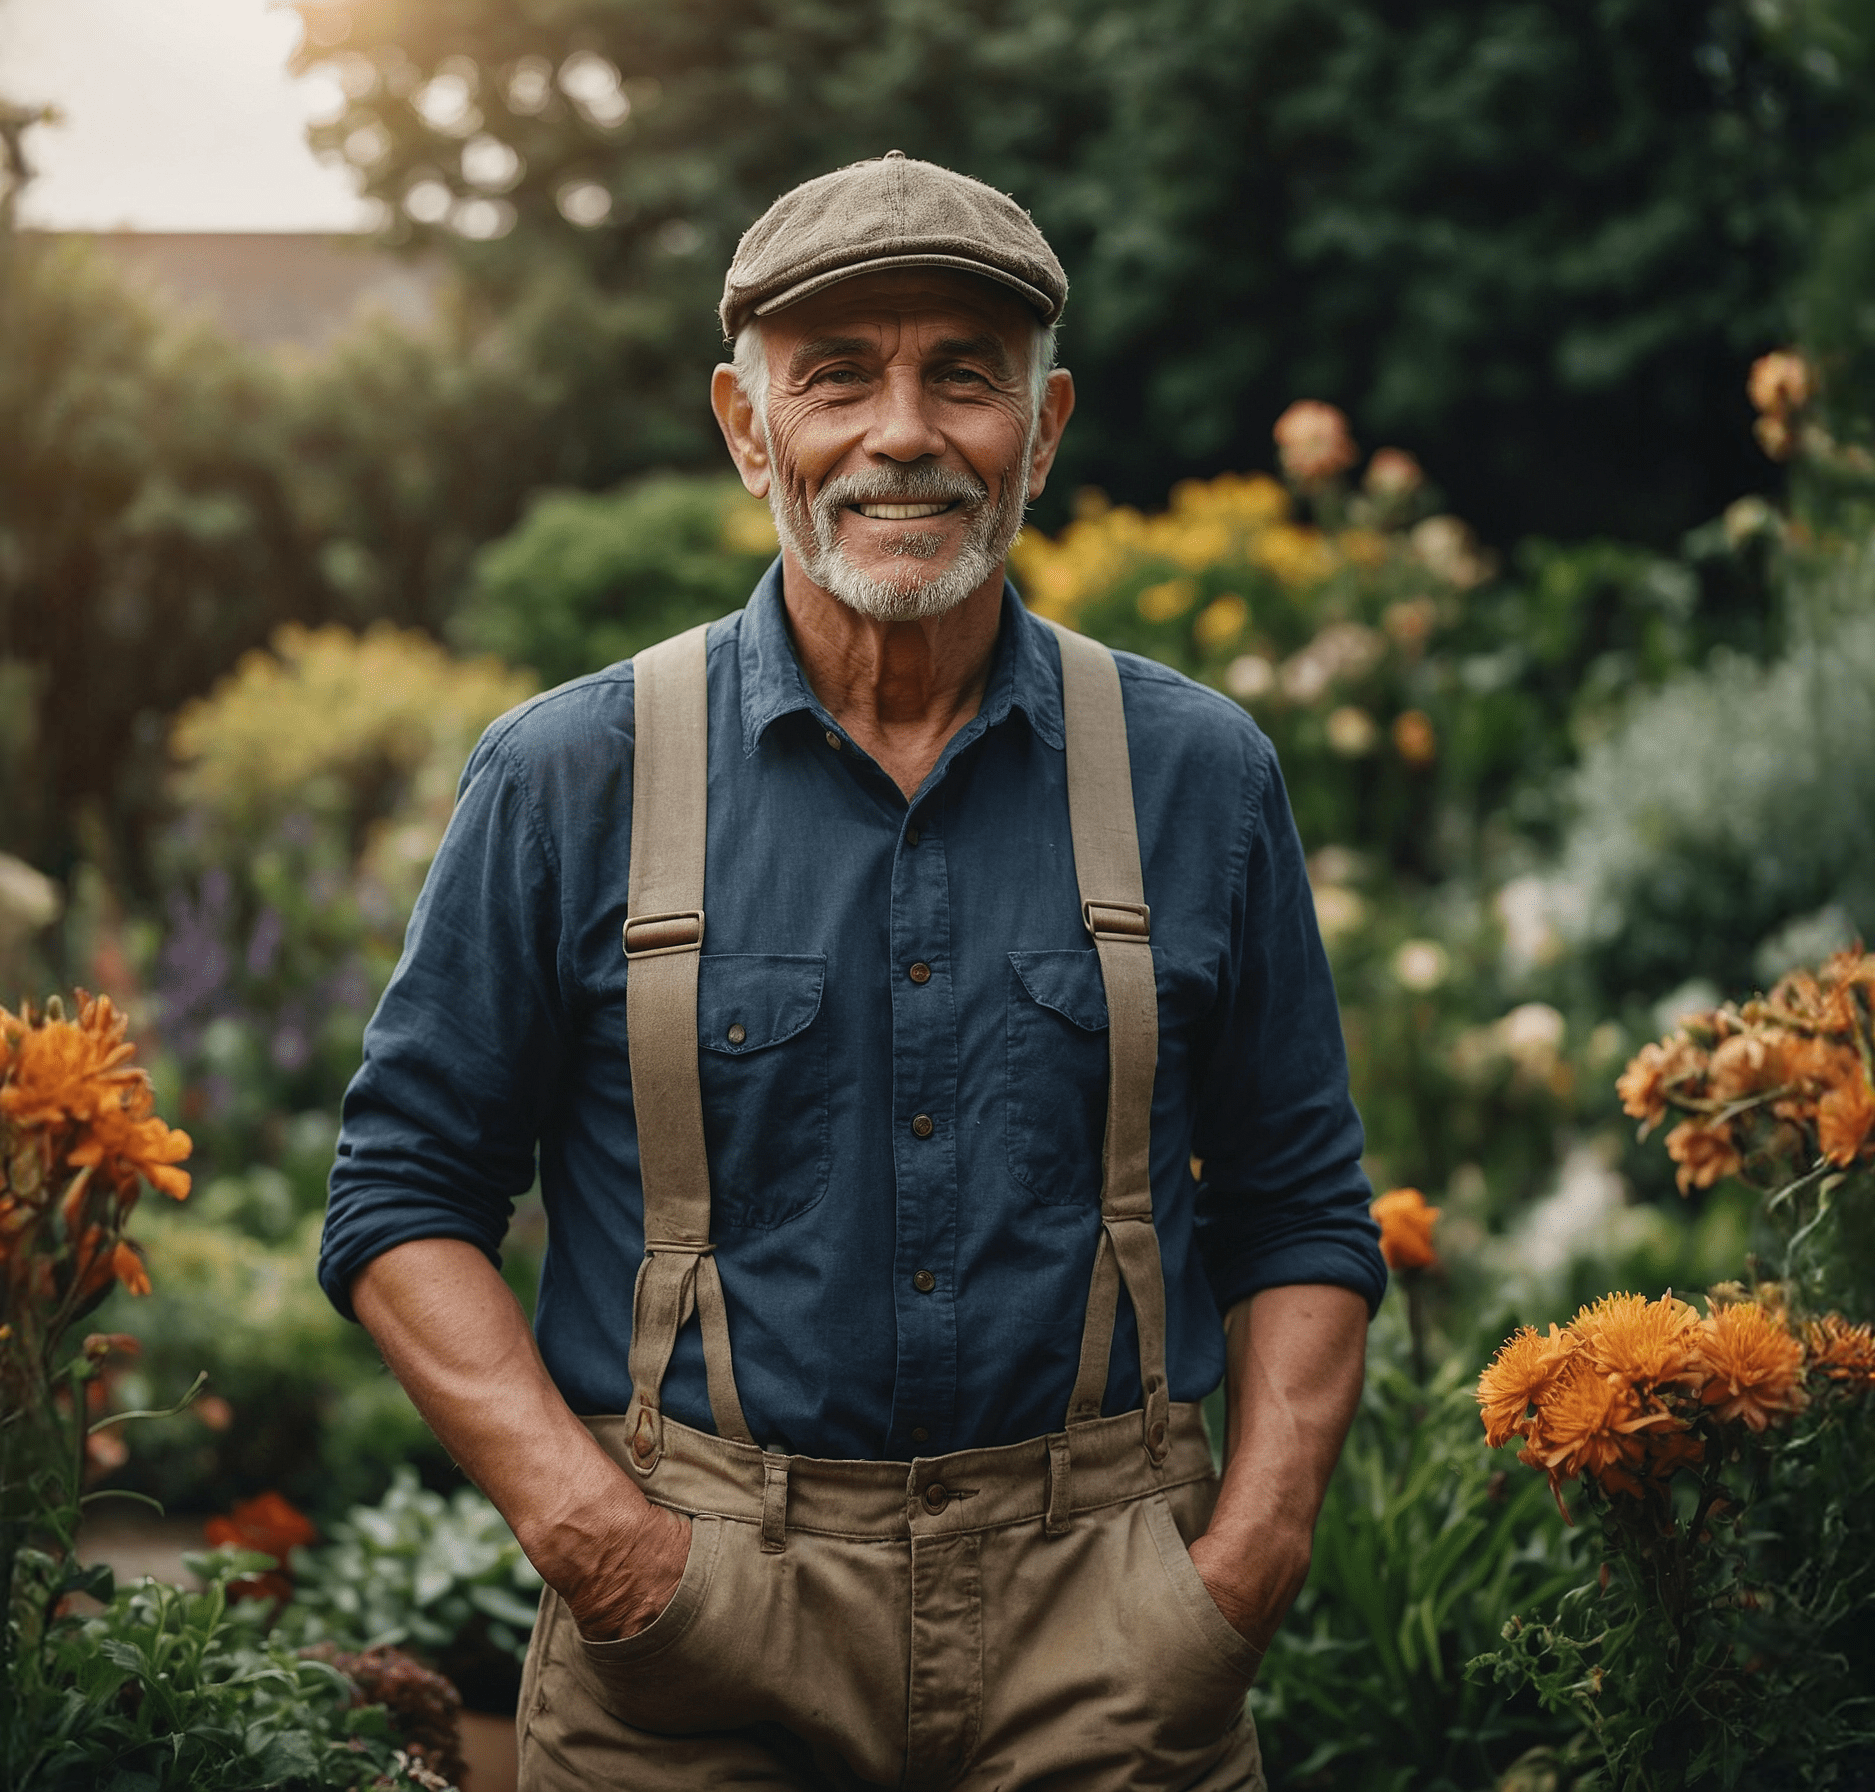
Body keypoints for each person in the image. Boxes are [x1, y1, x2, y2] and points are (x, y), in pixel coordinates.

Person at [319, 152, 1382, 1789]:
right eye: (836, 378)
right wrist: (601, 1543)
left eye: (964, 375)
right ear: (748, 429)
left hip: (1107, 1635)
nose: (903, 431)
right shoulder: (567, 775)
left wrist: (1241, 1568)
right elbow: (398, 1197)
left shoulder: (1196, 773)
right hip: (691, 1640)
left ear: (1043, 425)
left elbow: (1298, 1199)